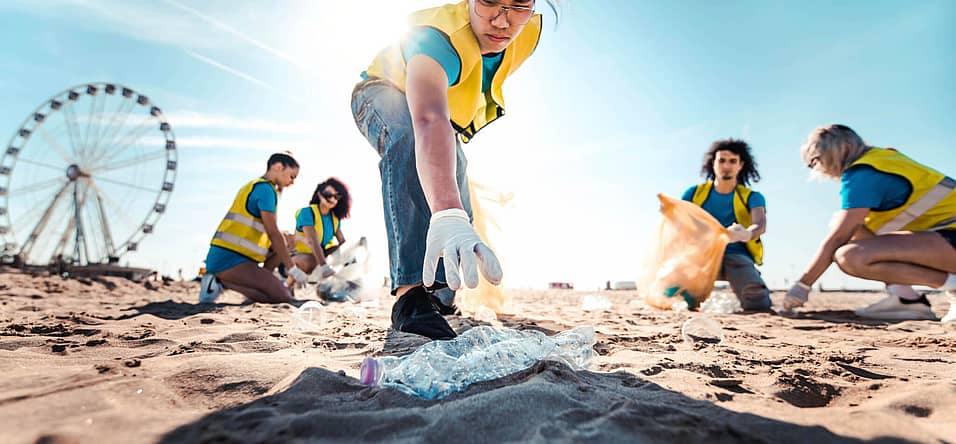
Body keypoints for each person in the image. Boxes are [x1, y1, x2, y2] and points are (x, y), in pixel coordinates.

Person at [351, 0, 561, 339]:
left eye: (518, 6)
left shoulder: (525, 35)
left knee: (457, 188)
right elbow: (428, 118)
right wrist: (446, 212)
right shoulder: (439, 37)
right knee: (408, 143)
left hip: (442, 120)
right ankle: (410, 295)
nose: (501, 21)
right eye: (489, 1)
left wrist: (454, 211)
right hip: (384, 93)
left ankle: (441, 294)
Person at [783, 124, 956, 323]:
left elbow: (839, 237)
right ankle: (905, 298)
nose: (819, 167)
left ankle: (953, 286)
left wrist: (803, 285)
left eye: (818, 159)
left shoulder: (863, 174)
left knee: (849, 256)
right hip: (943, 236)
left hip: (950, 237)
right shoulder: (884, 158)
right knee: (849, 225)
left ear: (845, 147)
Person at [199, 152, 309, 304]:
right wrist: (292, 268)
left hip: (239, 257)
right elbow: (273, 233)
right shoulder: (265, 189)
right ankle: (219, 281)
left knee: (287, 240)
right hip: (229, 259)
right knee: (282, 297)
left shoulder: (256, 186)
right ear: (278, 167)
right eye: (292, 176)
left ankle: (254, 286)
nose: (292, 182)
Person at [681, 139, 771, 311]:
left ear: (741, 164)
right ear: (712, 163)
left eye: (732, 161)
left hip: (736, 255)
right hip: (700, 257)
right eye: (721, 160)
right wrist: (670, 211)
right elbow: (680, 221)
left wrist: (746, 234)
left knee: (758, 303)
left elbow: (760, 225)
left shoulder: (752, 196)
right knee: (676, 297)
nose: (726, 165)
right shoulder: (693, 194)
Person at [289, 178, 352, 279]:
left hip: (321, 256)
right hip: (299, 257)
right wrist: (324, 267)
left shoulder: (334, 219)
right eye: (329, 195)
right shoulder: (307, 213)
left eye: (337, 196)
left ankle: (349, 282)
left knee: (344, 251)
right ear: (319, 195)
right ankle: (290, 282)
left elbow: (343, 243)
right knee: (311, 261)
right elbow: (312, 240)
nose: (332, 199)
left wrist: (351, 256)